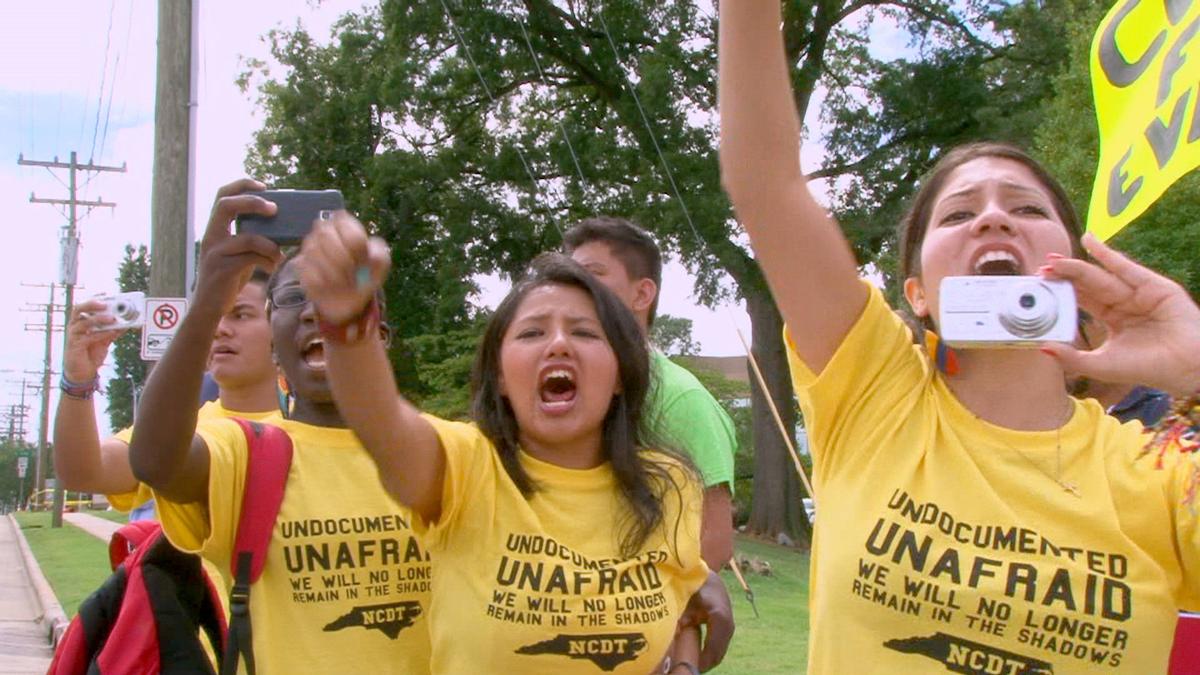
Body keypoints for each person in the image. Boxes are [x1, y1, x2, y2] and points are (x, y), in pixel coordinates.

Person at [718, 2, 1200, 673]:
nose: (993, 219)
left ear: (1076, 272)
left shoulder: (1158, 471)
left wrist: (1196, 366)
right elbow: (766, 182)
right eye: (958, 213)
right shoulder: (874, 394)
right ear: (918, 293)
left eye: (1026, 208)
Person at [299, 211, 710, 674]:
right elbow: (381, 421)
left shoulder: (670, 484)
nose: (558, 344)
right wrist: (349, 323)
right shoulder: (466, 468)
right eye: (532, 332)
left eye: (584, 332)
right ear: (499, 376)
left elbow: (684, 607)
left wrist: (683, 667)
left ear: (620, 374)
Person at [128, 180, 432, 674]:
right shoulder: (247, 452)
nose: (318, 310)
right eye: (294, 297)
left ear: (380, 334)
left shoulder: (442, 453)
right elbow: (155, 462)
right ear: (272, 344)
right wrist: (207, 300)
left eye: (341, 297)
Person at [565, 217, 738, 570]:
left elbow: (714, 542)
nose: (574, 288)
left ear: (642, 294)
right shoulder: (561, 389)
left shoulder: (682, 399)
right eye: (569, 277)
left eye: (591, 274)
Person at [54, 270, 280, 519]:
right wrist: (77, 379)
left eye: (240, 315)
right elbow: (84, 474)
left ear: (282, 323)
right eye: (210, 316)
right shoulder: (176, 432)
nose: (219, 329)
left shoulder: (310, 421)